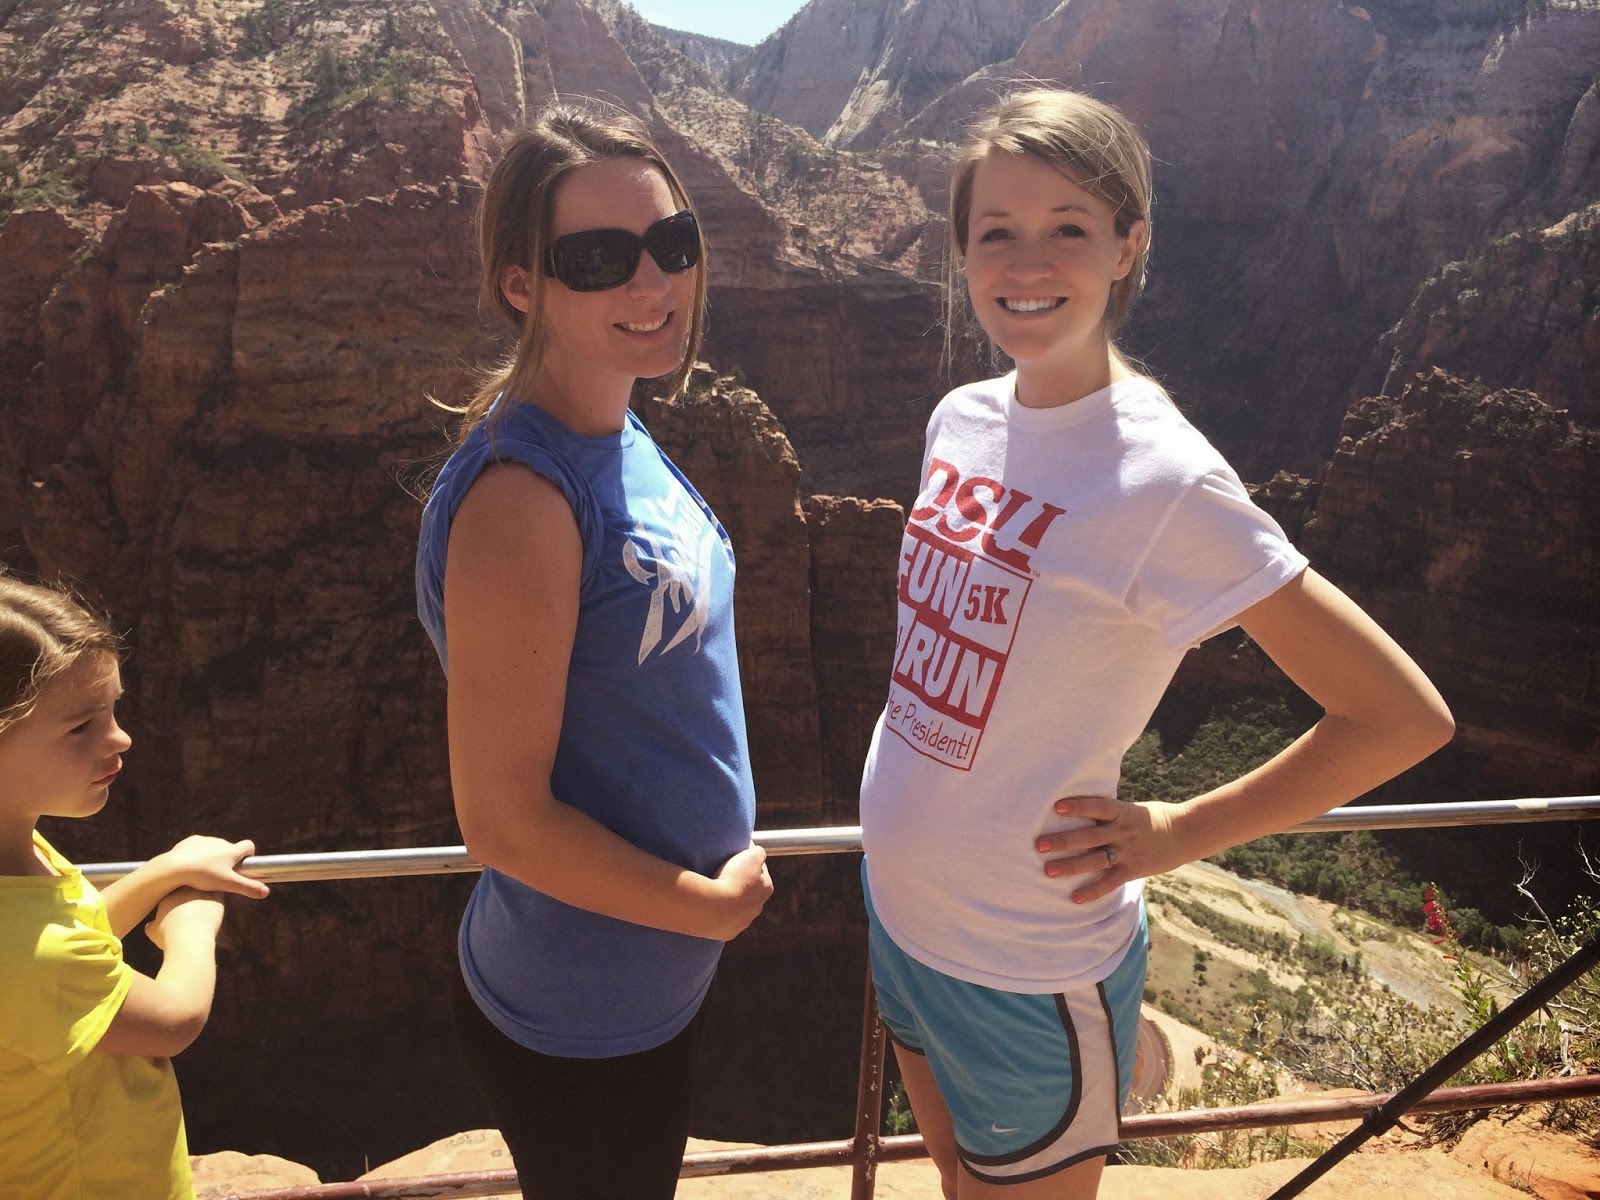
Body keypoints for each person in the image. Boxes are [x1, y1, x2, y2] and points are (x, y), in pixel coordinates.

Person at [857, 89, 1455, 1200]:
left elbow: (1399, 716)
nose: (1026, 262)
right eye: (996, 231)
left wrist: (1179, 830)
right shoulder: (961, 417)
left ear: (1128, 244)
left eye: (1067, 228)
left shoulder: (1165, 481)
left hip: (1027, 965)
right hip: (903, 921)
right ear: (961, 250)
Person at [414, 101, 773, 1200]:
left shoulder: (617, 425)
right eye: (599, 259)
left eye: (672, 242)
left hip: (645, 980)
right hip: (578, 1011)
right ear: (522, 284)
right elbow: (502, 822)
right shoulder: (522, 500)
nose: (653, 282)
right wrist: (711, 910)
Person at [0, 571, 269, 1200]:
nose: (120, 737)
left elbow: (72, 931)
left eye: (113, 710)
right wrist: (191, 927)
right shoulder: (28, 951)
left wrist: (163, 873)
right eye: (81, 727)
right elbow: (172, 1021)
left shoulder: (17, 851)